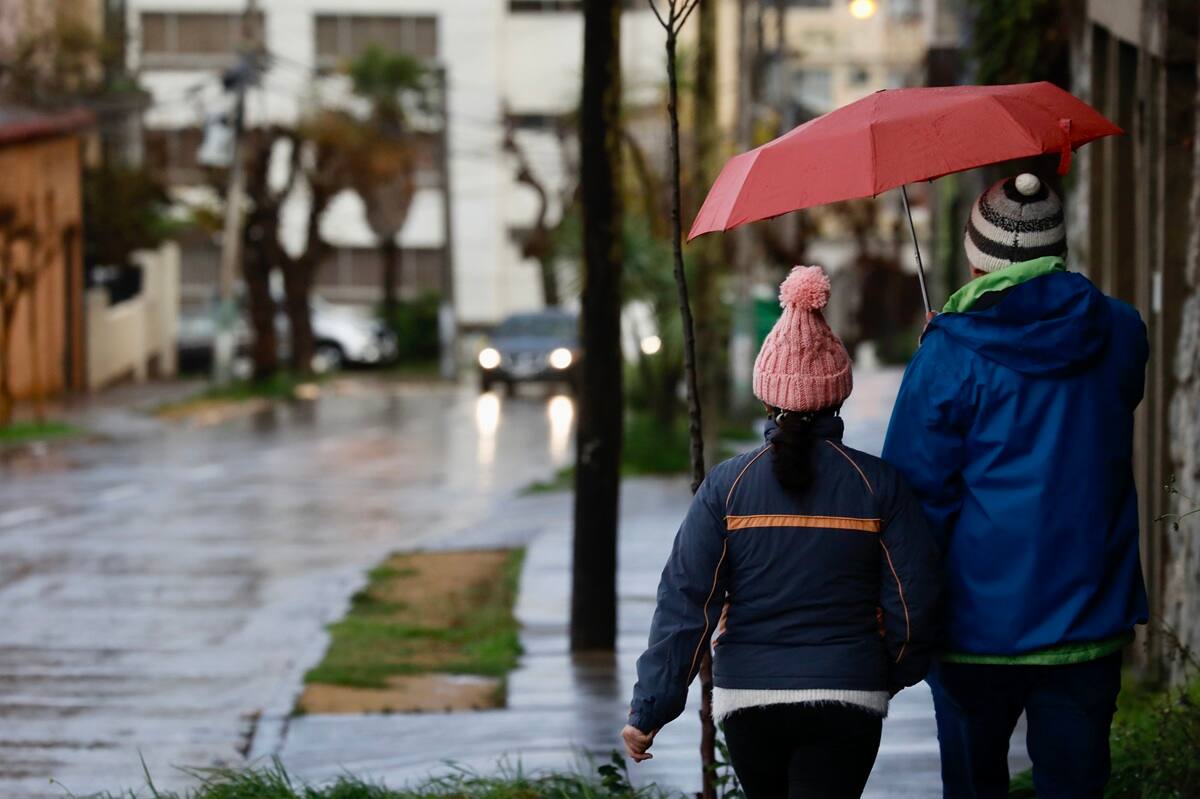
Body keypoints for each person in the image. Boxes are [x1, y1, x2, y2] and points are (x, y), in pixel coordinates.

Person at [623, 266, 942, 799]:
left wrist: (650, 708)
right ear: (838, 394)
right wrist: (885, 671)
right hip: (849, 695)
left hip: (749, 701)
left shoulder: (727, 485)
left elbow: (686, 602)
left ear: (766, 397)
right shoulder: (878, 484)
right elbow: (916, 603)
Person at [882, 173, 1149, 799]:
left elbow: (913, 495)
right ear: (1058, 247)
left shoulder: (949, 353)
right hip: (1089, 614)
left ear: (978, 257)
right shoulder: (1121, 330)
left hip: (973, 627)